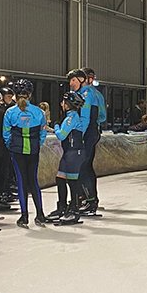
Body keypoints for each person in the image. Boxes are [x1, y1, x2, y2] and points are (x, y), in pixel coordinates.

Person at [3, 79, 48, 228]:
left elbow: (6, 134)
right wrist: (37, 145)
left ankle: (24, 216)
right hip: (33, 150)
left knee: (21, 182)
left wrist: (12, 146)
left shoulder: (10, 112)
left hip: (17, 151)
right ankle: (40, 214)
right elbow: (43, 133)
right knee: (33, 181)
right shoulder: (39, 112)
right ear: (30, 94)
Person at [47, 91, 88, 225]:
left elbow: (61, 135)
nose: (61, 104)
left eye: (63, 102)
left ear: (67, 104)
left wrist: (56, 126)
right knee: (60, 179)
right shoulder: (71, 116)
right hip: (69, 152)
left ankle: (74, 210)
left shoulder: (72, 117)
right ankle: (62, 207)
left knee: (72, 182)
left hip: (74, 153)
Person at [77, 67, 107, 214]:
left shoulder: (87, 94)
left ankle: (88, 199)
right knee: (87, 165)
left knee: (83, 166)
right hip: (94, 131)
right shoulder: (97, 94)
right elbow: (103, 116)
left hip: (88, 132)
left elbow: (88, 117)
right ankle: (87, 198)